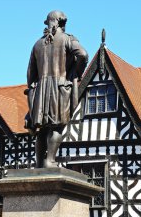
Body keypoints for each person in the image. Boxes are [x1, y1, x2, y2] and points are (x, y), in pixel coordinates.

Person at [26, 10, 88, 168]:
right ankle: (50, 160)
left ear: (49, 23)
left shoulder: (37, 44)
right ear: (62, 23)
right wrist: (75, 72)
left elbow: (30, 74)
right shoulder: (68, 39)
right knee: (57, 126)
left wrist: (34, 91)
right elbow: (83, 54)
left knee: (42, 129)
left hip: (41, 90)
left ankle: (39, 162)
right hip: (59, 88)